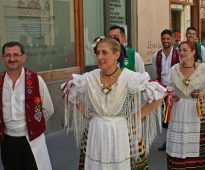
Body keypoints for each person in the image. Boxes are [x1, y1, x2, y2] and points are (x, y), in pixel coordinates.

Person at [62, 38, 166, 170]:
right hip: (96, 131)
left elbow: (159, 93)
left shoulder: (130, 77)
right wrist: (86, 112)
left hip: (123, 131)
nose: (100, 57)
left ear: (116, 54)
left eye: (104, 52)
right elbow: (69, 91)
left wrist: (138, 116)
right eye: (97, 53)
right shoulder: (90, 77)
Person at [166, 41, 205, 169]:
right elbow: (169, 87)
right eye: (180, 50)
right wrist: (171, 95)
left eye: (185, 50)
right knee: (180, 141)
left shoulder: (203, 69)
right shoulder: (174, 70)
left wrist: (201, 94)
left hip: (198, 110)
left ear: (193, 52)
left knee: (201, 142)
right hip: (179, 110)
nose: (181, 53)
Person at [0, 41, 54, 169]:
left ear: (23, 57)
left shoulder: (36, 80)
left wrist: (35, 125)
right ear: (3, 58)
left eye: (16, 55)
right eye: (8, 55)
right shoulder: (0, 81)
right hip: (8, 141)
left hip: (31, 139)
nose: (12, 59)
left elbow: (48, 109)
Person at [151, 29, 180, 151]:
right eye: (163, 39)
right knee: (165, 116)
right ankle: (167, 140)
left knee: (176, 115)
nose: (165, 41)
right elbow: (155, 71)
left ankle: (177, 139)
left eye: (168, 38)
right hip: (163, 89)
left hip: (175, 89)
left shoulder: (179, 54)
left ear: (172, 39)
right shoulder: (156, 56)